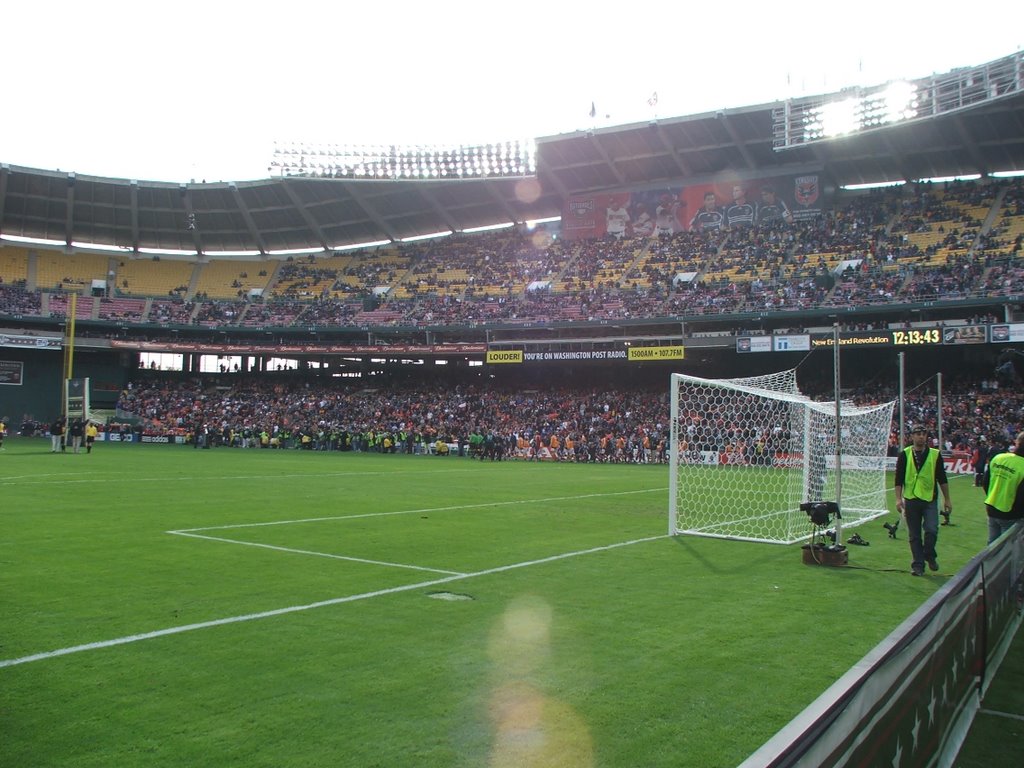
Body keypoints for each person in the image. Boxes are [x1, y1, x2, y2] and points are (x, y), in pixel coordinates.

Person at [894, 424, 952, 575]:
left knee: (932, 529)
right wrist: (898, 499)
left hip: (929, 498)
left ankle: (929, 554)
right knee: (914, 535)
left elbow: (942, 478)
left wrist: (947, 499)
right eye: (918, 433)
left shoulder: (935, 454)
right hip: (911, 498)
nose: (921, 436)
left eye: (923, 433)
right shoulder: (905, 454)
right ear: (912, 436)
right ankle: (918, 565)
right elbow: (898, 478)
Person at [982, 431, 1024, 543]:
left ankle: (988, 561)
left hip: (992, 508)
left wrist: (992, 498)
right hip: (1011, 514)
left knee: (992, 546)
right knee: (1006, 550)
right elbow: (1021, 497)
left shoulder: (999, 458)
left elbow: (985, 482)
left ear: (1017, 443)